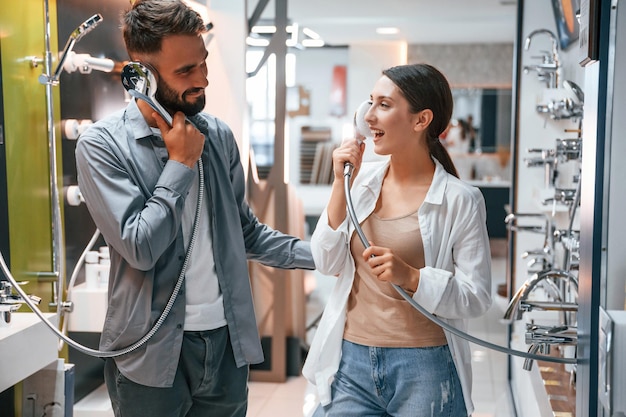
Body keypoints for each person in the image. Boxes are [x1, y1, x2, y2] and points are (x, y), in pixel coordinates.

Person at [74, 1, 315, 416]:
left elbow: (245, 233)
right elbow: (139, 246)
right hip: (149, 353)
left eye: (202, 64)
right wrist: (180, 164)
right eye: (185, 71)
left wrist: (328, 255)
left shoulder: (217, 136)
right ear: (142, 77)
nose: (202, 79)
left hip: (225, 348)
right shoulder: (101, 145)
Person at [302, 63, 492, 416]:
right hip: (352, 360)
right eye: (370, 103)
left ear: (421, 120)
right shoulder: (358, 182)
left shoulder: (460, 199)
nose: (368, 117)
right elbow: (326, 262)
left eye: (384, 105)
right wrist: (339, 184)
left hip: (425, 368)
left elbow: (477, 297)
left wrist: (413, 277)